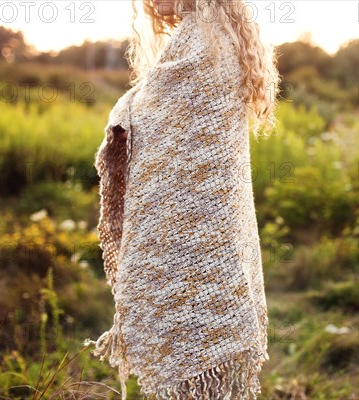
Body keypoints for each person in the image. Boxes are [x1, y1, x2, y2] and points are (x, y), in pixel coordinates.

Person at [84, 0, 280, 399]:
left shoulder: (202, 36)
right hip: (213, 223)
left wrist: (125, 108)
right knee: (200, 326)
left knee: (196, 320)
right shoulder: (225, 32)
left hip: (201, 217)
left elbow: (157, 112)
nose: (154, 4)